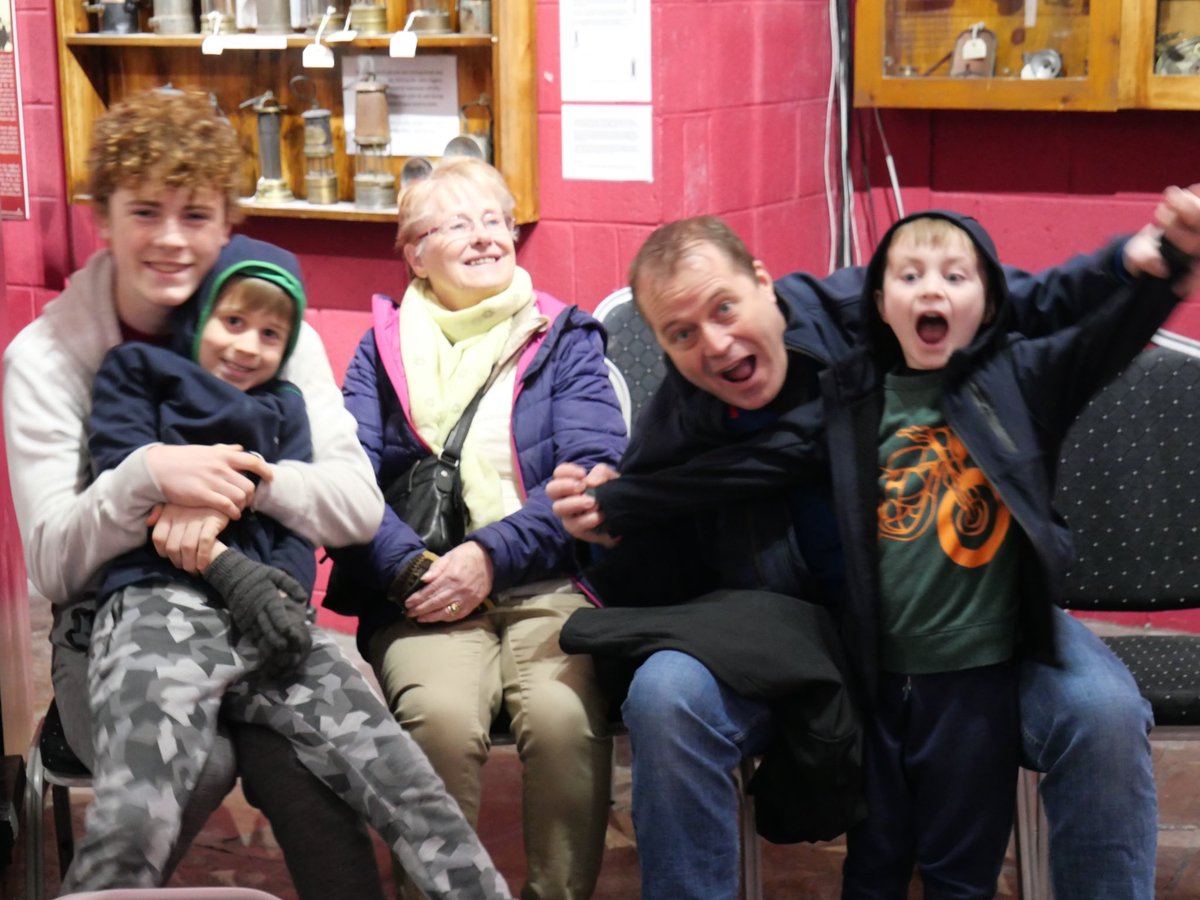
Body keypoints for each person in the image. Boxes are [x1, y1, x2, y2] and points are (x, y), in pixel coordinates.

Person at [548, 190, 1200, 900]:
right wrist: (608, 532)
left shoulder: (862, 308)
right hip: (800, 639)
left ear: (764, 283)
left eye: (725, 308)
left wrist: (1142, 263)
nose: (715, 343)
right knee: (666, 693)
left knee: (1102, 712)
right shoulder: (681, 416)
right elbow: (656, 583)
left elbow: (1003, 297)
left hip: (968, 609)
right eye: (681, 334)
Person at [2, 89, 389, 899]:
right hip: (109, 630)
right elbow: (52, 565)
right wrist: (145, 477)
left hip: (256, 615)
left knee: (311, 759)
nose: (173, 239)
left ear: (225, 226)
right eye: (146, 211)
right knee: (194, 755)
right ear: (103, 220)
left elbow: (357, 506)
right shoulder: (45, 358)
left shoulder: (268, 327)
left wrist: (236, 483)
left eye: (196, 215)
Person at [64, 233, 512, 899]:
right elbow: (128, 481)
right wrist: (228, 558)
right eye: (232, 321)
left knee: (404, 779)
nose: (248, 346)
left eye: (271, 334)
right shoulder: (138, 370)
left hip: (271, 624)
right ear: (200, 314)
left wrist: (278, 596)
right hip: (158, 608)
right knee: (138, 807)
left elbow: (295, 535)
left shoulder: (286, 407)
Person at [327, 156, 628, 900]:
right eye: (459, 224)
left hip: (548, 580)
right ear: (415, 253)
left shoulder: (564, 337)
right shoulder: (379, 351)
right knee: (438, 721)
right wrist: (412, 569)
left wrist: (488, 556)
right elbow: (346, 480)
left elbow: (592, 472)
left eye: (496, 220)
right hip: (422, 588)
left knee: (561, 721)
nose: (487, 237)